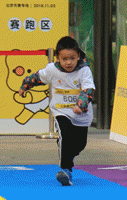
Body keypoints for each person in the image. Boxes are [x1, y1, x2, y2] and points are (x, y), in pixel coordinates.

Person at [19, 36, 95, 186]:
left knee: (80, 144)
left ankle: (68, 156)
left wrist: (81, 105)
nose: (68, 62)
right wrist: (25, 86)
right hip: (61, 112)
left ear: (78, 56)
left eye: (72, 58)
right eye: (64, 59)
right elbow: (37, 77)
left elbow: (88, 89)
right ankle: (65, 170)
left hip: (81, 113)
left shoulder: (84, 71)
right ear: (57, 58)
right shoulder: (52, 70)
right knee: (65, 136)